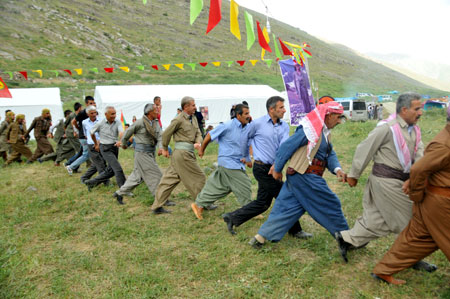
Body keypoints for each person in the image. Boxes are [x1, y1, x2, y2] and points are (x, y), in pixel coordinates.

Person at [336, 93, 435, 270]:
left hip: (402, 181)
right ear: (404, 110)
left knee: (377, 221)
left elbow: (419, 155)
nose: (421, 112)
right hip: (387, 182)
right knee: (412, 221)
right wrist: (354, 175)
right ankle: (410, 258)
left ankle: (346, 239)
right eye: (417, 108)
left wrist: (419, 176)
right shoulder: (387, 128)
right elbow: (364, 149)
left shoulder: (414, 130)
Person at [248, 102, 349, 262]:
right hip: (305, 176)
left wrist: (337, 170)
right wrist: (277, 169)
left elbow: (330, 154)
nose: (339, 121)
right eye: (337, 118)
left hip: (299, 176)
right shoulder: (309, 129)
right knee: (331, 203)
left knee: (286, 207)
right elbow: (286, 147)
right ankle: (345, 237)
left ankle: (260, 238)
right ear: (328, 116)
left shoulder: (324, 133)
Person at [370, 106, 450, 285]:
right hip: (441, 203)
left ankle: (383, 271)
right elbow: (419, 168)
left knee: (417, 239)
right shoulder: (444, 143)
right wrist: (416, 193)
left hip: (435, 201)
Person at [221, 96, 312, 239]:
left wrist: (277, 166)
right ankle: (295, 230)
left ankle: (232, 217)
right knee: (286, 197)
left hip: (274, 168)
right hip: (262, 168)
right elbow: (244, 138)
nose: (284, 110)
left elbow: (284, 146)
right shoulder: (257, 124)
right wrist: (247, 156)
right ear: (271, 109)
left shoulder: (284, 126)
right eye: (281, 107)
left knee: (263, 203)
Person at [190, 104, 253, 220]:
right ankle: (250, 211)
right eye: (246, 114)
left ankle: (198, 204)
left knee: (222, 187)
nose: (249, 116)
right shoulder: (227, 125)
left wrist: (248, 159)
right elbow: (209, 135)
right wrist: (202, 150)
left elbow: (247, 145)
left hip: (237, 162)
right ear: (238, 115)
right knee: (245, 184)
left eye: (249, 113)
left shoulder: (246, 128)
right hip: (229, 162)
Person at [151, 96, 205, 214]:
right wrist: (164, 148)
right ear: (186, 107)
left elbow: (198, 133)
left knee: (169, 180)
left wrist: (198, 142)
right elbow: (166, 134)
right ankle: (203, 203)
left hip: (185, 154)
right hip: (183, 154)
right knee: (199, 177)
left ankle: (156, 206)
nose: (195, 107)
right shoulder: (178, 119)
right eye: (193, 105)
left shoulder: (194, 118)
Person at [113, 103, 163, 205]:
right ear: (149, 112)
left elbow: (160, 136)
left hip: (150, 152)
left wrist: (161, 147)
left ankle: (119, 193)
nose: (157, 112)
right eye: (155, 110)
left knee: (137, 177)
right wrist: (123, 143)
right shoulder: (139, 123)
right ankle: (159, 199)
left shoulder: (155, 123)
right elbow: (127, 132)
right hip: (141, 154)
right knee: (156, 175)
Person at [84, 106, 126, 190]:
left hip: (114, 147)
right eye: (112, 114)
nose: (114, 116)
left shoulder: (117, 121)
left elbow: (121, 132)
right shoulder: (100, 123)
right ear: (106, 114)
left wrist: (120, 140)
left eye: (115, 114)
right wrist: (96, 143)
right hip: (105, 148)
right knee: (117, 169)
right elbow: (91, 132)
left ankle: (91, 183)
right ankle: (124, 189)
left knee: (110, 171)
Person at [66, 96, 96, 174]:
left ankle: (70, 164)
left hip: (91, 136)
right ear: (86, 104)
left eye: (93, 102)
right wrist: (78, 129)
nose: (93, 104)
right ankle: (71, 166)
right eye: (90, 103)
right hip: (84, 136)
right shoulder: (83, 113)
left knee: (82, 153)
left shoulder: (94, 112)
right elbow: (73, 121)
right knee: (86, 155)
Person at [79, 106, 108, 184]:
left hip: (101, 143)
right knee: (100, 163)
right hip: (91, 144)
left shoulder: (102, 120)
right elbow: (85, 133)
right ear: (87, 114)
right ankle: (105, 181)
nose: (94, 114)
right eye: (91, 113)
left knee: (98, 163)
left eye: (95, 112)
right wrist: (93, 142)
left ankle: (84, 177)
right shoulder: (84, 122)